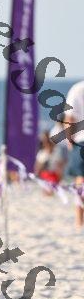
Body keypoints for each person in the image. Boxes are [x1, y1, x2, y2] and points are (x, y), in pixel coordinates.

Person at [64, 81, 84, 228]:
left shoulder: (77, 89)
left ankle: (79, 220)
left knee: (81, 180)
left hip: (81, 139)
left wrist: (69, 139)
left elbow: (70, 118)